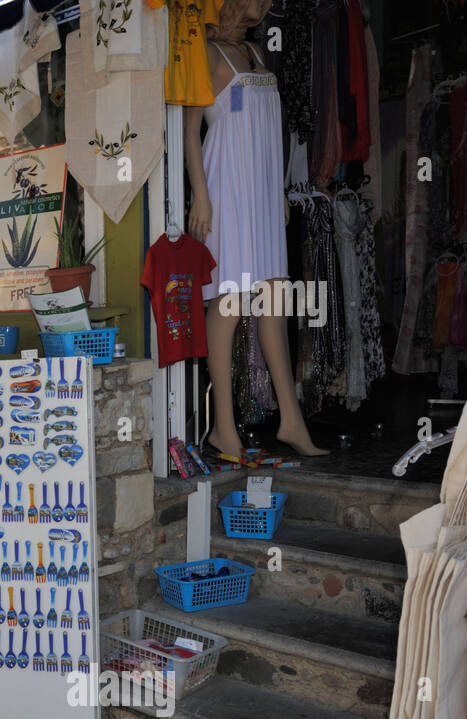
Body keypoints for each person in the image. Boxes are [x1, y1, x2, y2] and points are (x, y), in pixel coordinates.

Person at [184, 0, 328, 458]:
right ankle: (223, 428)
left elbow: (272, 130)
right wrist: (200, 194)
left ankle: (291, 420)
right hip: (226, 190)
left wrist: (282, 191)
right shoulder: (206, 54)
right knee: (228, 304)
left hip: (263, 194)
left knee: (275, 304)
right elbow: (190, 132)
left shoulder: (256, 54)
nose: (267, 4)